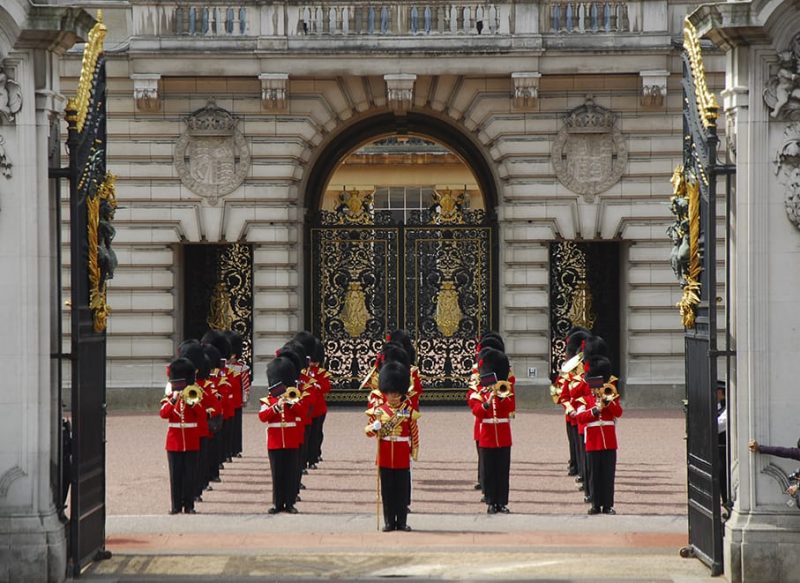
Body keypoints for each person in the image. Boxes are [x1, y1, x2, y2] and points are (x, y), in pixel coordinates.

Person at [365, 361, 420, 532]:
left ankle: (401, 522)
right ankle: (389, 522)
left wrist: (414, 452)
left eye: (397, 393)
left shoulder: (407, 411)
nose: (394, 396)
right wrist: (373, 428)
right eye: (390, 393)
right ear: (385, 393)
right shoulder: (378, 411)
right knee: (387, 490)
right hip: (385, 454)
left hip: (402, 454)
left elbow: (414, 432)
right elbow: (368, 431)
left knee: (402, 490)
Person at [469, 348, 514, 514]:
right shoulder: (477, 392)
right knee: (489, 471)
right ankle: (490, 501)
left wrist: (501, 396)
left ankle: (502, 502)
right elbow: (477, 411)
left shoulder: (505, 389)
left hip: (503, 435)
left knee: (502, 471)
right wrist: (487, 401)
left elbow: (510, 408)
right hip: (486, 435)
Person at [576, 355, 622, 515]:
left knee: (608, 475)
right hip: (593, 441)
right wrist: (595, 410)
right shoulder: (584, 400)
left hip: (609, 441)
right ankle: (595, 504)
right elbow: (580, 418)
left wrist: (608, 402)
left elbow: (619, 412)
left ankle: (608, 505)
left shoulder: (611, 396)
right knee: (594, 475)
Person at [259, 355, 302, 514]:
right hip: (275, 441)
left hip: (291, 440)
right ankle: (277, 503)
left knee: (290, 473)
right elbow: (263, 417)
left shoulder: (295, 398)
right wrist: (276, 407)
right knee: (277, 474)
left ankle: (289, 503)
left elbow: (302, 413)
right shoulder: (267, 401)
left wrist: (291, 403)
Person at [160, 357, 203, 514]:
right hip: (174, 441)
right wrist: (173, 400)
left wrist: (192, 402)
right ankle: (176, 506)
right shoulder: (169, 397)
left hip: (190, 440)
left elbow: (200, 414)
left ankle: (189, 505)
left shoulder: (194, 394)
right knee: (175, 475)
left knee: (190, 475)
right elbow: (163, 414)